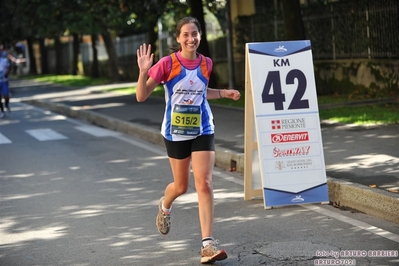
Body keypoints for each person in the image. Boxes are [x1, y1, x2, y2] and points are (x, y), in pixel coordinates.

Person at [136, 16, 241, 264]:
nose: (191, 38)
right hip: (175, 132)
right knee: (181, 186)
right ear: (178, 38)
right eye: (186, 34)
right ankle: (165, 205)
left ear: (200, 36)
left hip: (203, 128)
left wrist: (223, 92)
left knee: (204, 183)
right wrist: (142, 72)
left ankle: (207, 245)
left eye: (195, 34)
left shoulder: (206, 63)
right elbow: (141, 96)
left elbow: (203, 93)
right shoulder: (167, 64)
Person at [0, 50, 11, 118]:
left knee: (6, 95)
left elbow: (9, 67)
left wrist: (7, 72)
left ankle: (6, 105)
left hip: (4, 81)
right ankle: (2, 111)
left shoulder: (4, 60)